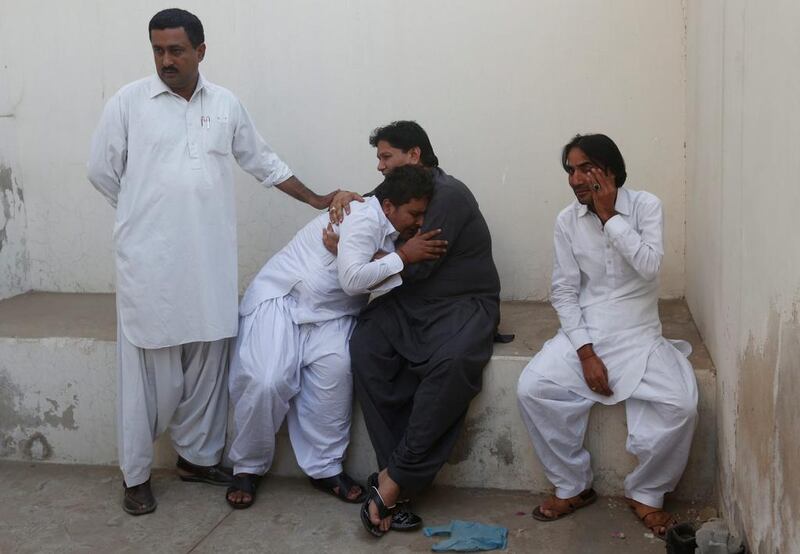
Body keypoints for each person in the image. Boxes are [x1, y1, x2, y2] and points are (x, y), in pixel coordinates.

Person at [87, 8, 357, 515]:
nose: (166, 60)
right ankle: (137, 475)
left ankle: (197, 458)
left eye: (176, 50)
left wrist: (318, 199)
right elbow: (102, 173)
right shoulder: (128, 102)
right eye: (158, 50)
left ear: (200, 51)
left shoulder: (226, 104)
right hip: (150, 266)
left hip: (209, 263)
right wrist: (145, 217)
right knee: (147, 374)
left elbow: (264, 162)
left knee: (210, 365)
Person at [225, 164, 446, 509]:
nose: (419, 222)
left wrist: (384, 256)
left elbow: (369, 272)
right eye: (414, 214)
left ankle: (324, 468)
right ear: (388, 206)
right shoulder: (363, 218)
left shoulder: (388, 225)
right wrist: (402, 257)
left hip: (334, 314)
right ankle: (247, 467)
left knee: (338, 372)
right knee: (267, 380)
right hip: (283, 301)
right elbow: (355, 280)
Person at [516, 134, 698, 539]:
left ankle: (647, 492)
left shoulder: (646, 206)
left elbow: (650, 266)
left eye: (585, 168)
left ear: (609, 171)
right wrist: (584, 352)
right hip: (588, 329)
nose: (575, 179)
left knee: (681, 405)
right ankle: (572, 485)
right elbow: (564, 291)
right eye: (570, 170)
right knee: (532, 388)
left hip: (639, 330)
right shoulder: (566, 221)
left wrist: (610, 215)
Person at [346, 121, 501, 537]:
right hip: (413, 299)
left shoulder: (448, 195)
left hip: (462, 304)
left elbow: (423, 262)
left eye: (386, 157)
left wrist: (378, 256)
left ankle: (395, 480)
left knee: (452, 365)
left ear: (414, 155)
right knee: (366, 343)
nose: (379, 168)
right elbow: (366, 209)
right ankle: (393, 469)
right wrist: (343, 205)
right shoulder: (400, 188)